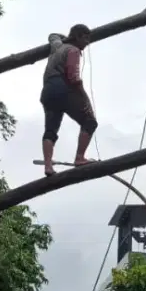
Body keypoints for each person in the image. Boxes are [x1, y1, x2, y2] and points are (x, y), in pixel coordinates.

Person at [40, 24, 98, 177]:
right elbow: (74, 79)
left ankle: (48, 166)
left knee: (51, 129)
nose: (87, 42)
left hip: (48, 91)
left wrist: (66, 37)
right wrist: (85, 100)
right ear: (77, 37)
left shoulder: (57, 46)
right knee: (90, 121)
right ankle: (80, 158)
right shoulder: (73, 51)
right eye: (85, 38)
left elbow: (53, 35)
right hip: (63, 88)